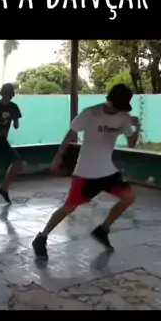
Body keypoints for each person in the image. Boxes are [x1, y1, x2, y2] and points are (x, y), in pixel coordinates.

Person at [32, 84, 140, 259]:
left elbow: (131, 143)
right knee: (69, 207)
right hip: (85, 172)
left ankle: (102, 230)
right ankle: (41, 238)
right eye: (116, 106)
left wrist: (137, 127)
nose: (117, 111)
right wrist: (58, 157)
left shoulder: (123, 117)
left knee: (128, 197)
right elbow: (69, 135)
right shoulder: (90, 113)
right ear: (109, 100)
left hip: (108, 170)